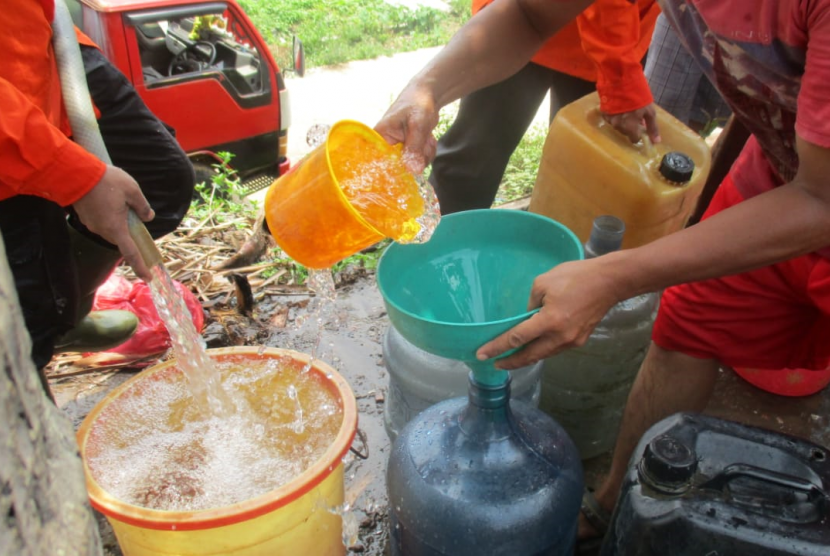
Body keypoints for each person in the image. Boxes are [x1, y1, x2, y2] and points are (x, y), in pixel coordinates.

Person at [375, 0, 830, 548]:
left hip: (815, 189)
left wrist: (612, 276)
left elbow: (822, 200)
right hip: (788, 170)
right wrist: (426, 89)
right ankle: (616, 504)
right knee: (687, 326)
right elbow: (529, 16)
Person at [0, 0, 195, 395]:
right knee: (21, 335)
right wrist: (74, 176)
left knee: (160, 182)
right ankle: (50, 314)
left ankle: (65, 305)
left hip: (42, 35)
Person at [429, 0, 660, 214]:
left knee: (581, 176)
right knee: (471, 160)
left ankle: (560, 253)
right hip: (526, 16)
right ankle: (430, 248)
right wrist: (621, 78)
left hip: (620, 33)